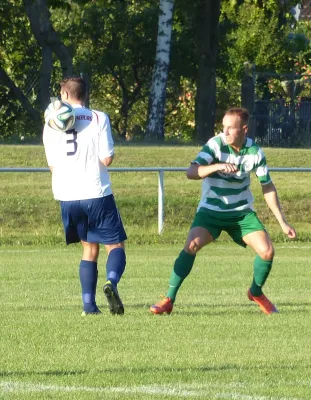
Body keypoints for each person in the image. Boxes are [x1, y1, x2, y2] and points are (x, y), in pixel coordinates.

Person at [150, 107, 297, 315]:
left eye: (230, 128)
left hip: (241, 213)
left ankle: (255, 292)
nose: (225, 132)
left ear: (244, 129)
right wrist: (216, 166)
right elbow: (191, 172)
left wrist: (282, 222)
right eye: (223, 127)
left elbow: (267, 187)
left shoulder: (255, 152)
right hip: (211, 211)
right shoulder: (215, 145)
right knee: (191, 245)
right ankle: (168, 299)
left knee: (267, 251)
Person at [43, 76, 127, 316]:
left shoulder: (50, 122)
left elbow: (52, 164)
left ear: (65, 95)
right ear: (85, 94)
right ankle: (111, 282)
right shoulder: (99, 117)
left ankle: (89, 307)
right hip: (96, 192)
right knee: (114, 245)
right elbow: (107, 159)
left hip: (67, 195)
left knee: (89, 249)